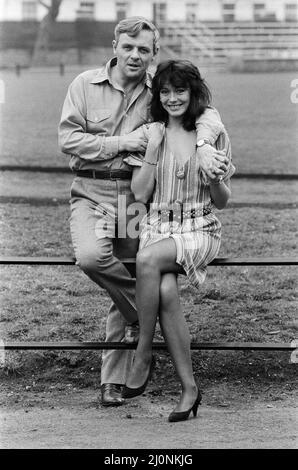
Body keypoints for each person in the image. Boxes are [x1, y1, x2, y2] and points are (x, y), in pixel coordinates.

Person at [58, 17, 229, 407]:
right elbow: (68, 139)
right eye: (128, 47)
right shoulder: (84, 85)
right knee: (92, 257)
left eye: (144, 50)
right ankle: (146, 314)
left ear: (153, 55)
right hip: (92, 189)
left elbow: (205, 111)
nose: (135, 55)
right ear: (114, 46)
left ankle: (115, 379)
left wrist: (203, 144)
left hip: (137, 197)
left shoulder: (160, 88)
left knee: (135, 266)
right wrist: (125, 141)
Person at [122, 60, 235, 422]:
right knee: (166, 292)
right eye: (165, 92)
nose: (172, 98)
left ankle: (142, 352)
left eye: (180, 90)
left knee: (146, 261)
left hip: (200, 229)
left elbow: (222, 200)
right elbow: (139, 196)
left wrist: (214, 175)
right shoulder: (151, 132)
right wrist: (153, 151)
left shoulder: (212, 134)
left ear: (193, 92)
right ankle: (189, 389)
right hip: (157, 228)